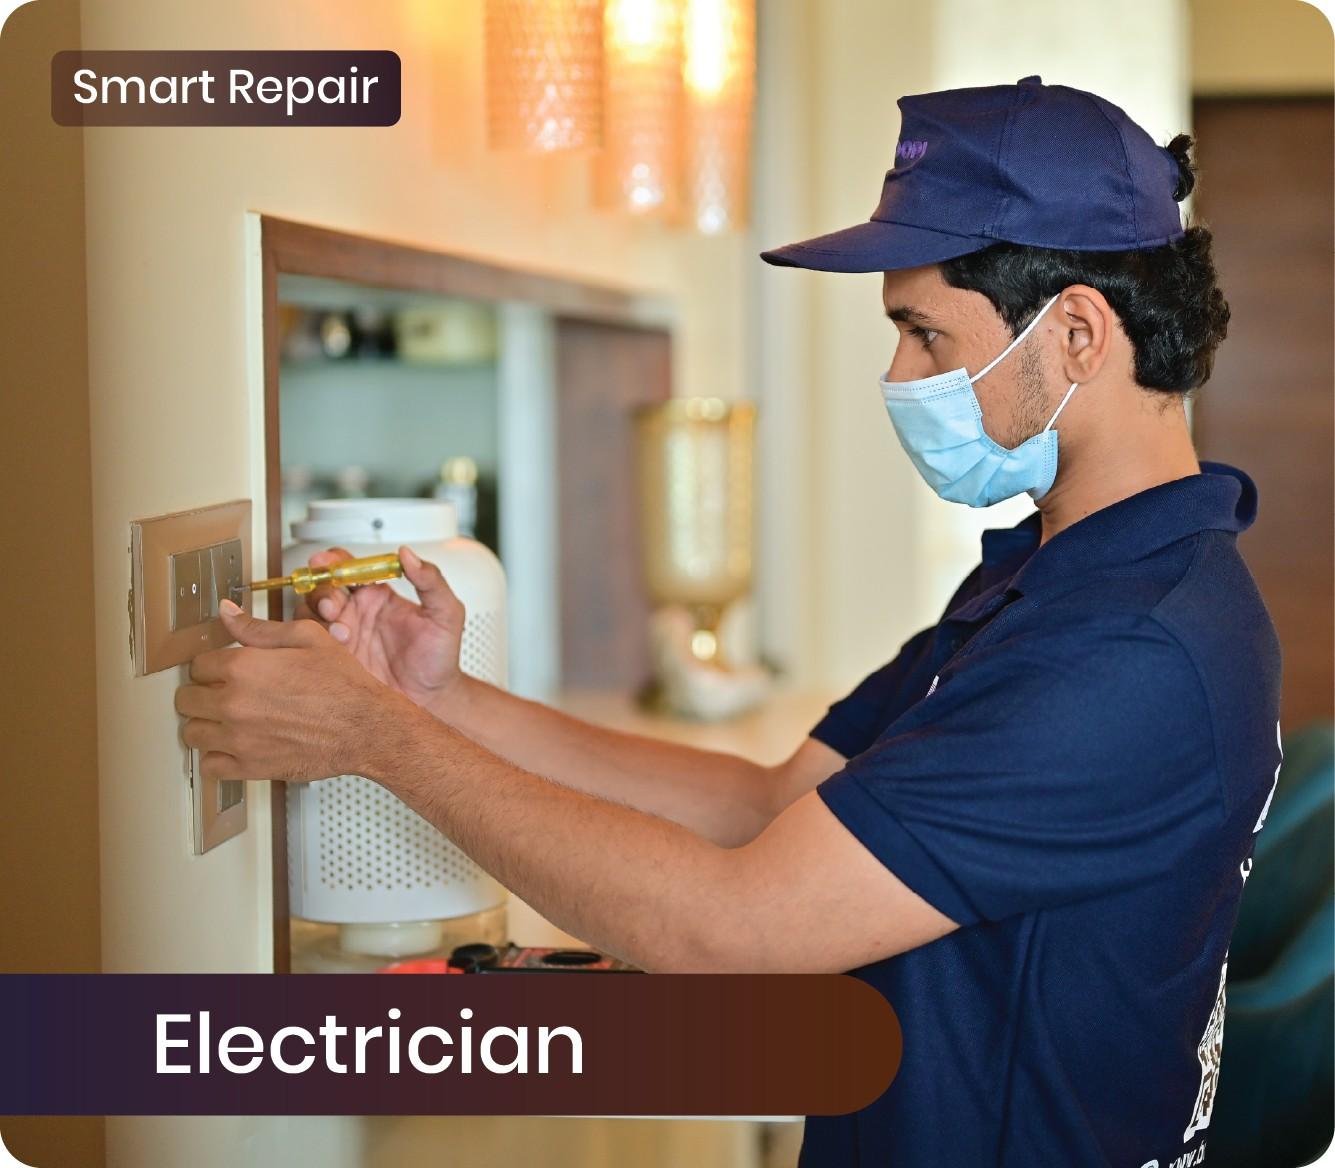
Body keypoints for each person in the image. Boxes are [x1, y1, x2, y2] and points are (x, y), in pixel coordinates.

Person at [176, 76, 1282, 1166]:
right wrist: (440, 700)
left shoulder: (1124, 652)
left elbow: (730, 928)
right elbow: (771, 806)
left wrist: (374, 740)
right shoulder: (1069, 578)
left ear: (1078, 332)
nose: (899, 374)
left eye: (924, 334)